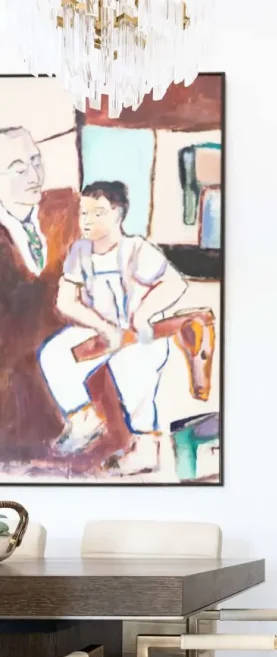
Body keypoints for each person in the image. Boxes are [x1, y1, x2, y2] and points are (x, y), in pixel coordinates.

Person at [40, 181, 188, 476]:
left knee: (132, 368)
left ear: (118, 215)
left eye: (98, 213)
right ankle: (82, 419)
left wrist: (144, 314)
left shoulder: (136, 249)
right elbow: (66, 300)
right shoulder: (80, 252)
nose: (87, 221)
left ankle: (146, 449)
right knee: (54, 353)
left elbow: (175, 283)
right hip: (101, 331)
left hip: (141, 335)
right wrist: (101, 326)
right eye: (84, 213)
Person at [0, 126, 79, 460]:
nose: (34, 175)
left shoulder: (70, 209)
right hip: (18, 387)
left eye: (36, 160)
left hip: (77, 347)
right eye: (18, 168)